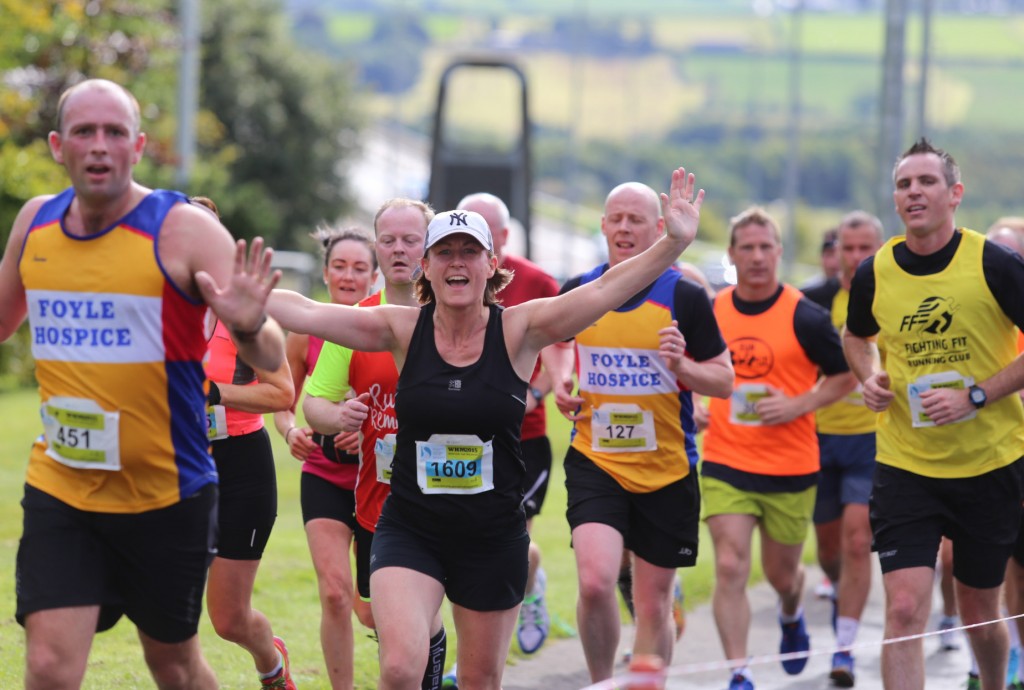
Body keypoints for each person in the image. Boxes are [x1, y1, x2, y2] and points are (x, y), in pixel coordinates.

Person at [267, 167, 705, 690]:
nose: (457, 263)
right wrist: (227, 289)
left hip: (491, 534)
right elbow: (308, 312)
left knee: (479, 681)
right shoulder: (401, 329)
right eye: (445, 253)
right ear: (425, 268)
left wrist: (673, 243)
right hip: (411, 528)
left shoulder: (521, 330)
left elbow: (607, 289)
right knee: (401, 670)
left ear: (490, 264)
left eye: (468, 252)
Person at [0, 78, 284, 689]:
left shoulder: (183, 229)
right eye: (84, 132)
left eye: (114, 133)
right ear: (57, 145)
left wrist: (251, 322)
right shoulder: (36, 224)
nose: (99, 146)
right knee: (48, 666)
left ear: (138, 146)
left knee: (172, 664)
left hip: (166, 493)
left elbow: (270, 353)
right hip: (63, 486)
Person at [844, 138, 1024, 690]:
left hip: (989, 464)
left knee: (979, 612)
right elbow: (855, 336)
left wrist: (977, 395)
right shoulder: (876, 271)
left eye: (926, 182)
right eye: (904, 184)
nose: (914, 192)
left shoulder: (994, 263)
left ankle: (993, 683)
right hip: (907, 466)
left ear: (955, 194)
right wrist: (869, 375)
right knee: (902, 610)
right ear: (895, 200)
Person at [551, 181, 735, 684]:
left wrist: (683, 367)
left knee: (653, 604)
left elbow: (724, 379)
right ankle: (602, 681)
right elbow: (552, 340)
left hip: (667, 469)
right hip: (597, 460)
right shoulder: (580, 290)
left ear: (659, 228)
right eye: (617, 218)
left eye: (637, 219)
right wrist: (560, 382)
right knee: (594, 583)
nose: (626, 228)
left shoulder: (685, 296)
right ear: (604, 226)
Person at [701, 206, 856, 690]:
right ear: (731, 255)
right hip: (726, 459)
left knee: (781, 576)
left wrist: (798, 404)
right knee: (729, 565)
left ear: (779, 253)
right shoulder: (712, 311)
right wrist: (697, 404)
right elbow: (687, 366)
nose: (756, 257)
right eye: (746, 247)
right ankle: (739, 672)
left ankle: (792, 613)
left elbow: (847, 375)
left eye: (766, 247)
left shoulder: (804, 315)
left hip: (790, 465)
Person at [301, 199, 449, 690]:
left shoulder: (460, 314)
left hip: (452, 500)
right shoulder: (357, 323)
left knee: (414, 639)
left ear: (428, 246)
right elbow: (314, 403)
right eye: (389, 240)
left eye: (411, 240)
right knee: (386, 626)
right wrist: (337, 415)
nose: (400, 250)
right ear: (377, 248)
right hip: (380, 504)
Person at [189, 196, 296, 690]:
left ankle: (271, 662)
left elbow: (281, 392)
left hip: (239, 466)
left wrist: (213, 392)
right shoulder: (152, 308)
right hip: (175, 463)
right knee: (169, 607)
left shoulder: (244, 311)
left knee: (229, 620)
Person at [456, 191, 570, 656]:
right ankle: (530, 577)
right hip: (462, 442)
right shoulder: (450, 278)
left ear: (503, 237)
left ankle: (525, 593)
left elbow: (562, 341)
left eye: (486, 233)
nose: (475, 244)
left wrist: (537, 392)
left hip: (523, 440)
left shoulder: (538, 281)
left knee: (505, 535)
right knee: (467, 545)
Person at [272, 226, 378, 689]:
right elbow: (282, 398)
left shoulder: (388, 326)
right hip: (325, 474)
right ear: (325, 271)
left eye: (359, 268)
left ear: (373, 275)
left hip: (382, 480)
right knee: (335, 593)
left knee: (372, 612)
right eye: (340, 266)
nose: (348, 276)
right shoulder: (305, 333)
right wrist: (291, 430)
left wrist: (368, 430)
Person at [802, 210, 884, 687]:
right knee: (830, 547)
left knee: (858, 541)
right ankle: (838, 598)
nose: (854, 259)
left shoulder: (895, 298)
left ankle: (846, 648)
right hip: (817, 439)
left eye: (863, 249)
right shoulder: (813, 303)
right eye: (846, 249)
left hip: (873, 440)